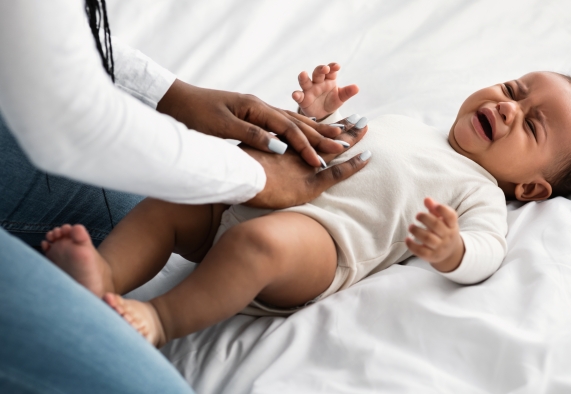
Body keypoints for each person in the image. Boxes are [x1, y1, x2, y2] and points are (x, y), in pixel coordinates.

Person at [42, 62, 571, 348]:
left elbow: (488, 250)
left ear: (531, 189)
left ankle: (159, 318)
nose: (508, 107)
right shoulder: (408, 123)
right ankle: (105, 272)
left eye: (531, 125)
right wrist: (315, 116)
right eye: (513, 89)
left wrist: (453, 248)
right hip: (256, 193)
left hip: (318, 246)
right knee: (177, 194)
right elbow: (320, 147)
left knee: (256, 243)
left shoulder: (479, 190)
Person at [0, 1, 369, 392]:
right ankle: (129, 296)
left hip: (327, 234)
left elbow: (38, 37)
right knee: (167, 205)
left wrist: (173, 94)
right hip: (272, 199)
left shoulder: (444, 172)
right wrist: (254, 171)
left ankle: (154, 313)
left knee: (233, 233)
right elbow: (69, 122)